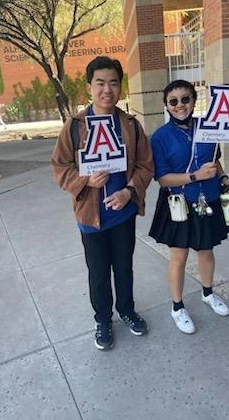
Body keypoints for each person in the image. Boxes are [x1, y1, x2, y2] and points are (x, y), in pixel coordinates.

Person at [51, 56, 154, 350]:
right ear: (89, 87)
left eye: (113, 82)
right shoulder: (74, 126)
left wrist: (129, 192)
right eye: (100, 83)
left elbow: (146, 166)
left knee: (124, 267)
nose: (107, 89)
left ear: (120, 87)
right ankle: (103, 320)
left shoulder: (131, 125)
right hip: (90, 217)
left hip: (123, 214)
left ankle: (127, 310)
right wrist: (85, 181)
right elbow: (60, 166)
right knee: (98, 272)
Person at [149, 79, 229, 334]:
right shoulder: (160, 137)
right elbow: (163, 178)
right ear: (166, 105)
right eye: (173, 101)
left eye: (185, 99)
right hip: (179, 203)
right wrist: (195, 176)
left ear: (193, 100)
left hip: (207, 199)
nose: (180, 105)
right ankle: (177, 307)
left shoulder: (208, 127)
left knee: (206, 250)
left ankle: (208, 294)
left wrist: (223, 178)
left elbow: (215, 162)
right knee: (178, 257)